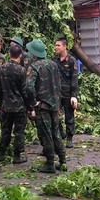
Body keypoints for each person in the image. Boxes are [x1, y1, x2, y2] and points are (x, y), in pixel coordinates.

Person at [26, 39, 66, 174]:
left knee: (45, 134)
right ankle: (62, 161)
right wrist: (58, 102)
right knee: (56, 133)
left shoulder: (35, 66)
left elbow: (29, 87)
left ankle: (50, 163)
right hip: (54, 104)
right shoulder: (53, 64)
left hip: (42, 106)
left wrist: (33, 103)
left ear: (33, 53)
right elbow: (58, 84)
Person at [0, 44, 30, 164]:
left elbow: (0, 88)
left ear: (9, 54)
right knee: (19, 131)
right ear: (20, 56)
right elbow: (24, 90)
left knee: (5, 129)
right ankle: (17, 155)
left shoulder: (2, 68)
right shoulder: (21, 70)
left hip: (6, 105)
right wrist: (29, 105)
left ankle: (2, 153)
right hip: (19, 106)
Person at [53, 38, 79, 148]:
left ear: (65, 47)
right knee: (54, 115)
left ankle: (69, 137)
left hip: (68, 93)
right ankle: (61, 132)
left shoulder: (71, 60)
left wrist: (74, 95)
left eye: (58, 45)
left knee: (69, 116)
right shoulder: (55, 60)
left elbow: (74, 78)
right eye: (55, 45)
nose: (56, 47)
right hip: (57, 93)